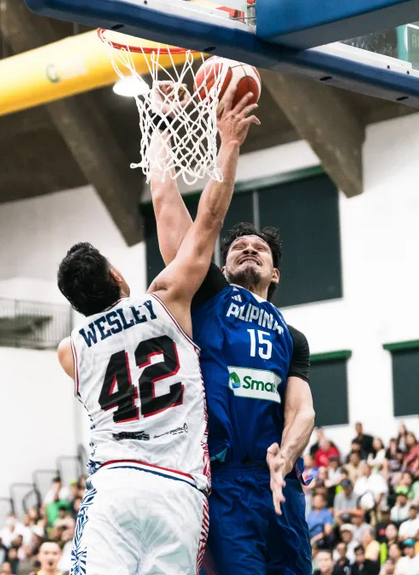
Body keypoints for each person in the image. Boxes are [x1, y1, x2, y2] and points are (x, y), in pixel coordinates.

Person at [57, 84, 260, 575]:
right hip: (178, 487)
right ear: (117, 276)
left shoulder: (70, 351)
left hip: (116, 486)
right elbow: (207, 219)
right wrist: (227, 142)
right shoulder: (166, 300)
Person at [150, 84, 314, 575]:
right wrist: (162, 124)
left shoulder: (293, 336)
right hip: (223, 482)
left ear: (276, 272)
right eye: (237, 246)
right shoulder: (212, 296)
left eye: (257, 248)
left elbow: (302, 411)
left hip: (279, 481)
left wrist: (285, 458)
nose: (245, 248)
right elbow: (164, 199)